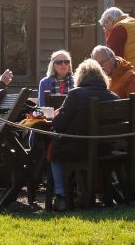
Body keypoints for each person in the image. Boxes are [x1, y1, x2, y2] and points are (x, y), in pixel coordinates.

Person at [49, 58, 118, 210]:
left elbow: (58, 124)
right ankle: (83, 193)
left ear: (80, 77)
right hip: (106, 150)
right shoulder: (113, 96)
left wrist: (56, 115)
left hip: (78, 149)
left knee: (52, 149)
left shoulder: (75, 95)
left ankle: (61, 195)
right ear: (101, 76)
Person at [92, 45, 135, 137]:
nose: (100, 68)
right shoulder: (103, 79)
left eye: (102, 62)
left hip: (132, 134)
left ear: (113, 59)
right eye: (97, 65)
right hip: (110, 132)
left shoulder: (131, 77)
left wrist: (116, 110)